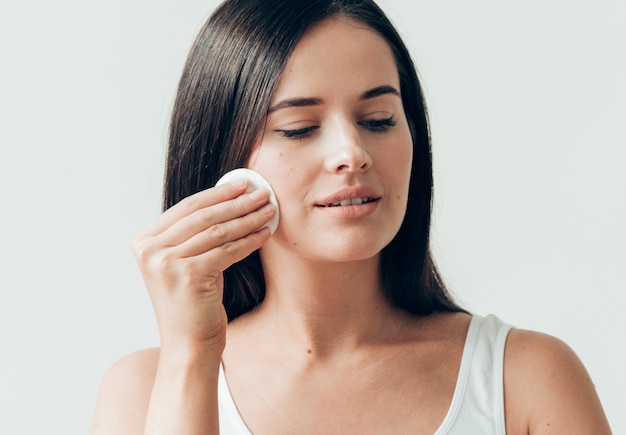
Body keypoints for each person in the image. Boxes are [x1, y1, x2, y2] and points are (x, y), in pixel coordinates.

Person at [91, 0, 611, 433]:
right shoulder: (143, 392)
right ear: (225, 162)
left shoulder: (524, 379)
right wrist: (191, 355)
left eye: (377, 120)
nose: (352, 152)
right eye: (298, 127)